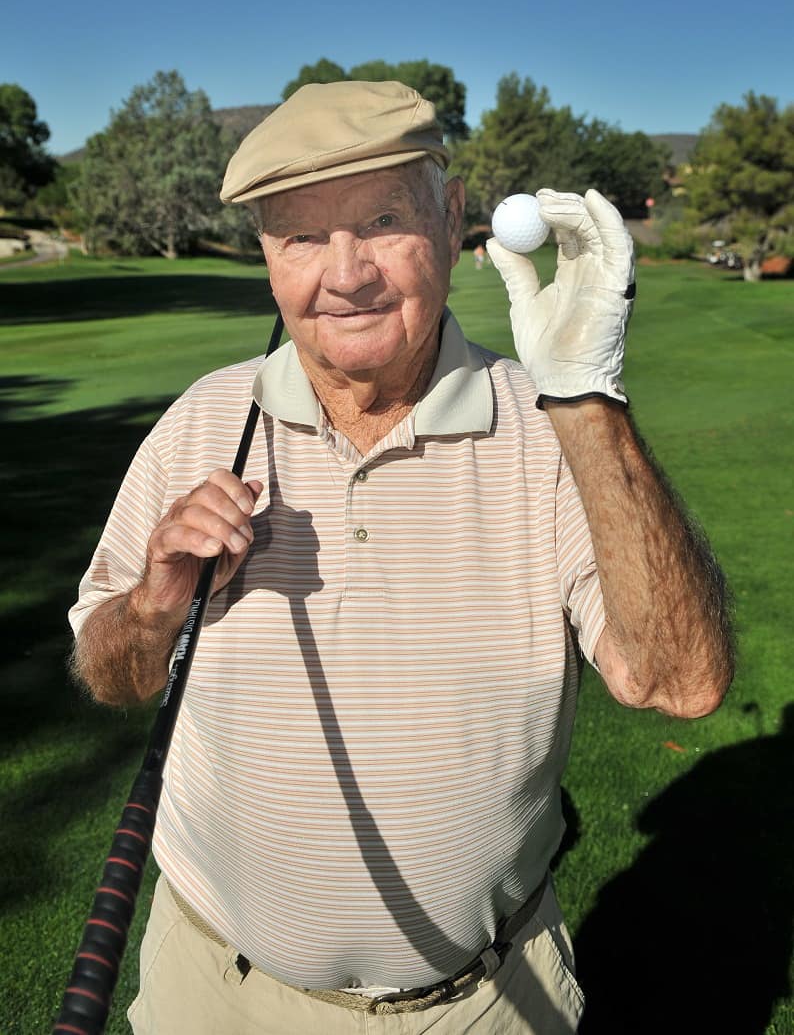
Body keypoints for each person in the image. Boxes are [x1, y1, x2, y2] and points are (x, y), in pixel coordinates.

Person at [69, 80, 734, 1034]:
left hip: (481, 1002)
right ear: (266, 256)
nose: (346, 275)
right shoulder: (205, 423)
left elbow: (680, 681)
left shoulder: (551, 438)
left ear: (453, 216)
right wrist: (152, 604)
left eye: (382, 220)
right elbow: (114, 676)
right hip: (216, 992)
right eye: (300, 236)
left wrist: (586, 400)